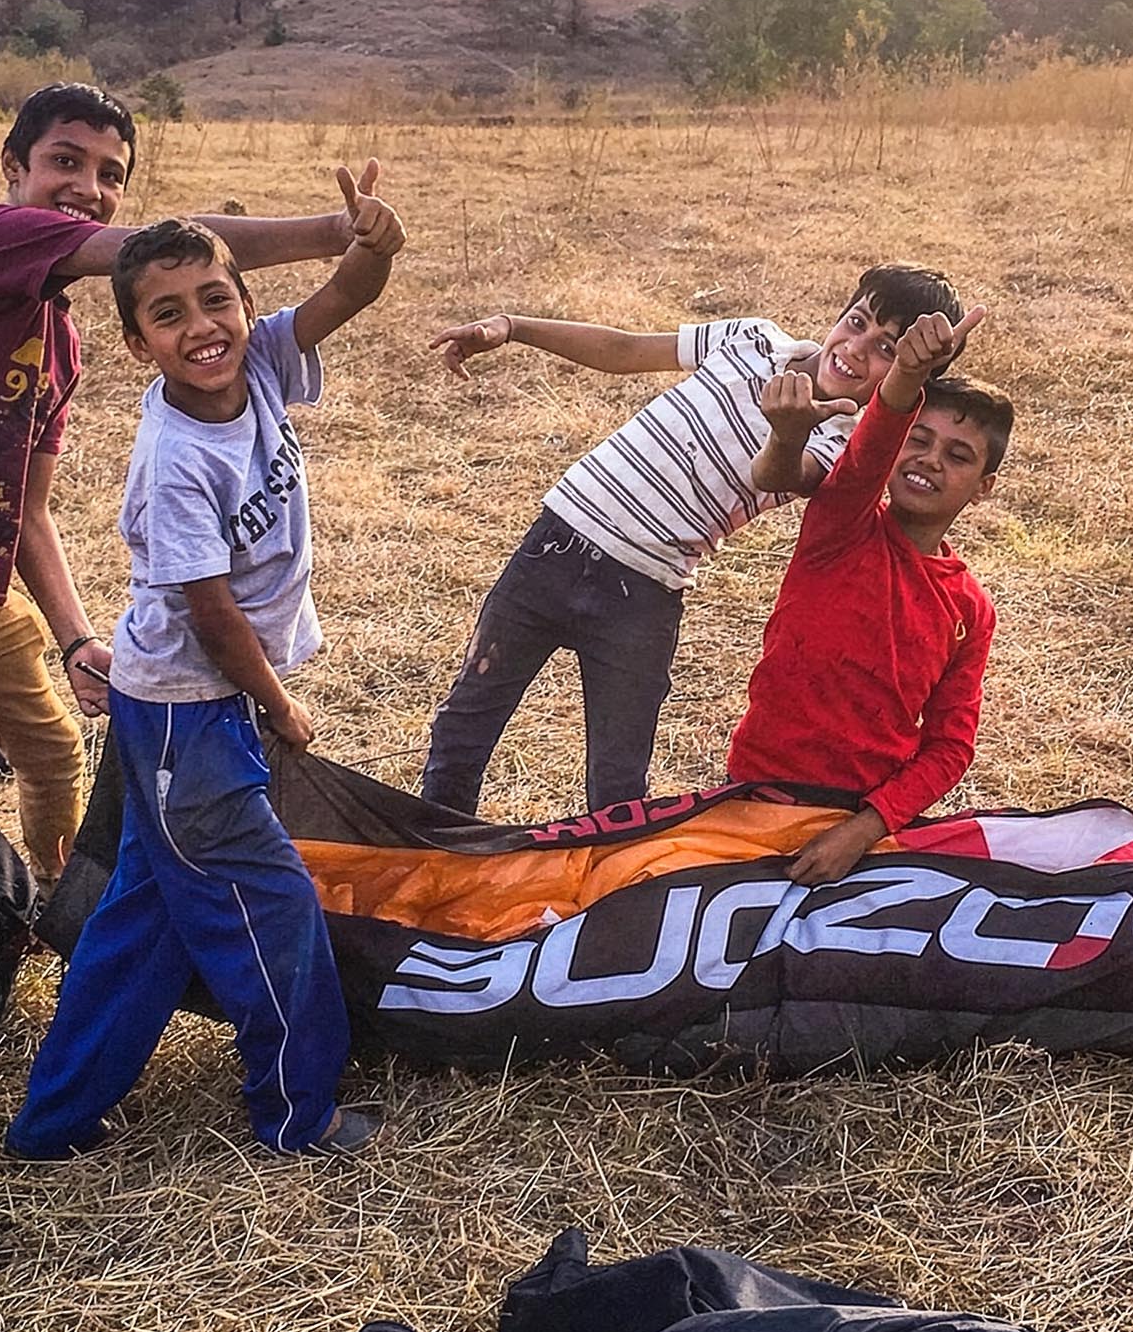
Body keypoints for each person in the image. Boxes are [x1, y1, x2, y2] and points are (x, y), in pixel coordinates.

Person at [0, 81, 394, 887]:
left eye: (110, 174)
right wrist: (332, 230)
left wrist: (76, 640)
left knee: (53, 754)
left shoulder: (64, 345)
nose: (88, 188)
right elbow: (162, 250)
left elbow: (30, 513)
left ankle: (49, 916)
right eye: (64, 163)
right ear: (14, 168)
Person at [6, 186, 404, 1161]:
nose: (202, 326)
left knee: (144, 916)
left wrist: (372, 242)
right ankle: (296, 1113)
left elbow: (343, 295)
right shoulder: (176, 454)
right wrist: (278, 703)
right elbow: (210, 611)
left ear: (242, 304)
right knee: (271, 914)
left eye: (215, 299)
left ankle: (52, 1121)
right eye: (168, 313)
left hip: (173, 712)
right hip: (192, 713)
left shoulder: (264, 357)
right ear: (138, 342)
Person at [418, 266, 971, 817]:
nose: (855, 348)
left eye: (884, 349)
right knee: (467, 720)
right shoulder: (753, 338)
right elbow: (624, 349)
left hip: (644, 592)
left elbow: (776, 475)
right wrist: (512, 326)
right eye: (856, 323)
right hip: (556, 542)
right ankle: (435, 849)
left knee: (617, 779)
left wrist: (789, 429)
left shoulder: (842, 442)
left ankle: (607, 892)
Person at [728, 306, 1007, 883]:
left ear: (983, 489)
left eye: (958, 456)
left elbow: (949, 747)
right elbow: (872, 444)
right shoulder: (842, 521)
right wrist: (905, 373)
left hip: (862, 828)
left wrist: (864, 829)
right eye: (919, 439)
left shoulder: (970, 611)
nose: (929, 458)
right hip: (754, 800)